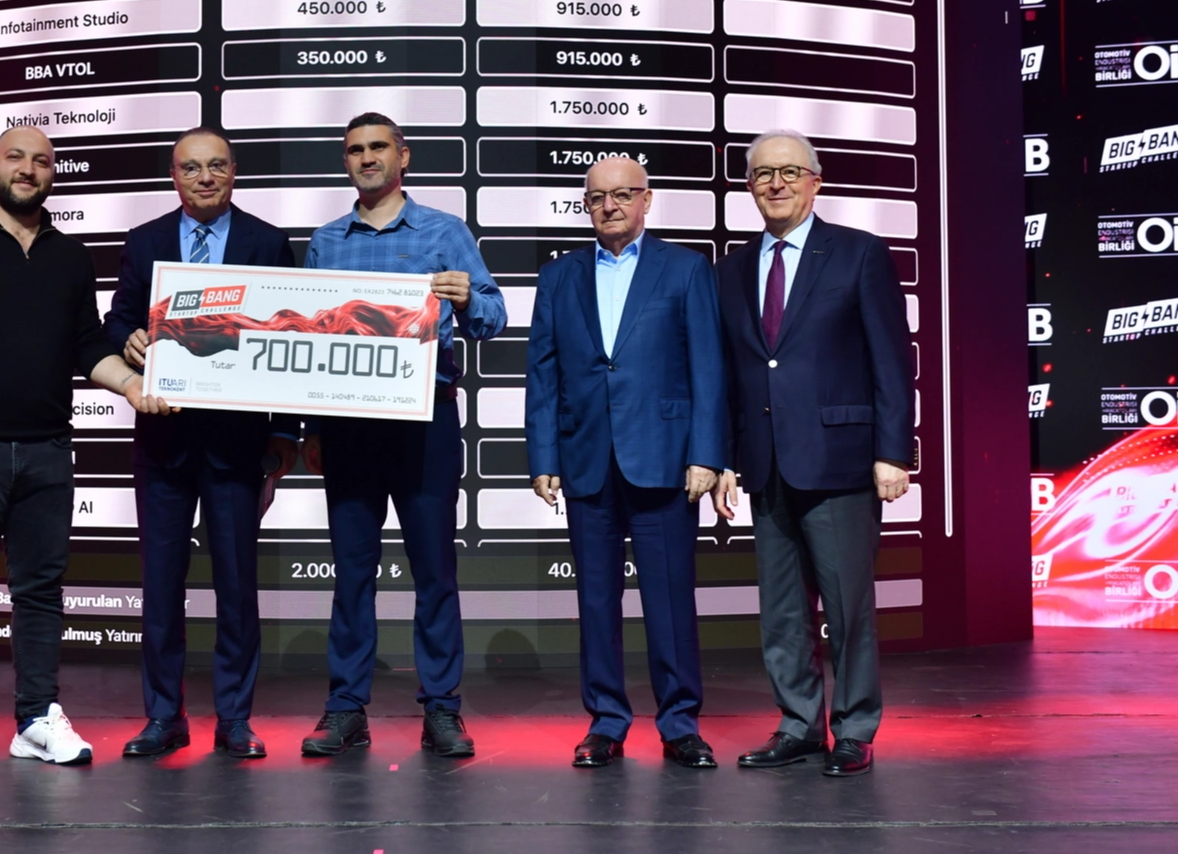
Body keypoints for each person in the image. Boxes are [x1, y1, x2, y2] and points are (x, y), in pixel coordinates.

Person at [0, 125, 159, 772]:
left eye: (41, 160)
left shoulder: (69, 256)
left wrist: (134, 384)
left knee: (41, 591)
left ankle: (37, 718)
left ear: (52, 174)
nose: (28, 168)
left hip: (47, 448)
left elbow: (88, 344)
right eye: (16, 157)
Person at [298, 112, 506, 758]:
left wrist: (467, 298)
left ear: (403, 155)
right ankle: (345, 708)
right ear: (345, 161)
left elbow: (493, 318)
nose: (367, 158)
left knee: (434, 571)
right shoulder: (325, 241)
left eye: (378, 147)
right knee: (351, 574)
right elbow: (308, 343)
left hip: (425, 422)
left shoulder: (445, 231)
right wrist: (309, 428)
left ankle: (442, 708)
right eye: (354, 149)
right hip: (348, 427)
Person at [712, 129, 912, 778]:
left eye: (789, 172)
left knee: (848, 608)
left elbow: (891, 359)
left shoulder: (858, 253)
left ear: (815, 181)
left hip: (842, 462)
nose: (775, 183)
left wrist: (893, 451)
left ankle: (854, 727)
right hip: (764, 463)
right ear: (749, 186)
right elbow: (730, 372)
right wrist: (724, 457)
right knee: (781, 611)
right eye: (762, 174)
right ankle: (798, 723)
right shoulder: (733, 268)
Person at [524, 157, 726, 769]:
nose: (609, 206)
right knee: (595, 602)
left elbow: (708, 368)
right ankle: (606, 722)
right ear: (585, 205)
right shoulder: (558, 277)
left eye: (622, 195)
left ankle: (680, 724)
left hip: (665, 458)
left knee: (670, 600)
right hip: (586, 458)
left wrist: (706, 453)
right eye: (597, 198)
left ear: (647, 199)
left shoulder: (686, 269)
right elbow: (543, 375)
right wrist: (543, 456)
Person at [104, 127, 298, 760]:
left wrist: (283, 433)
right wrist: (129, 338)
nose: (205, 177)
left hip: (237, 446)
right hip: (162, 442)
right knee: (161, 588)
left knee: (237, 589)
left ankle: (235, 719)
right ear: (174, 175)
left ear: (234, 171)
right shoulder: (146, 241)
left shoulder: (267, 242)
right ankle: (164, 716)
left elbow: (293, 340)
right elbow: (117, 319)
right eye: (191, 168)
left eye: (216, 166)